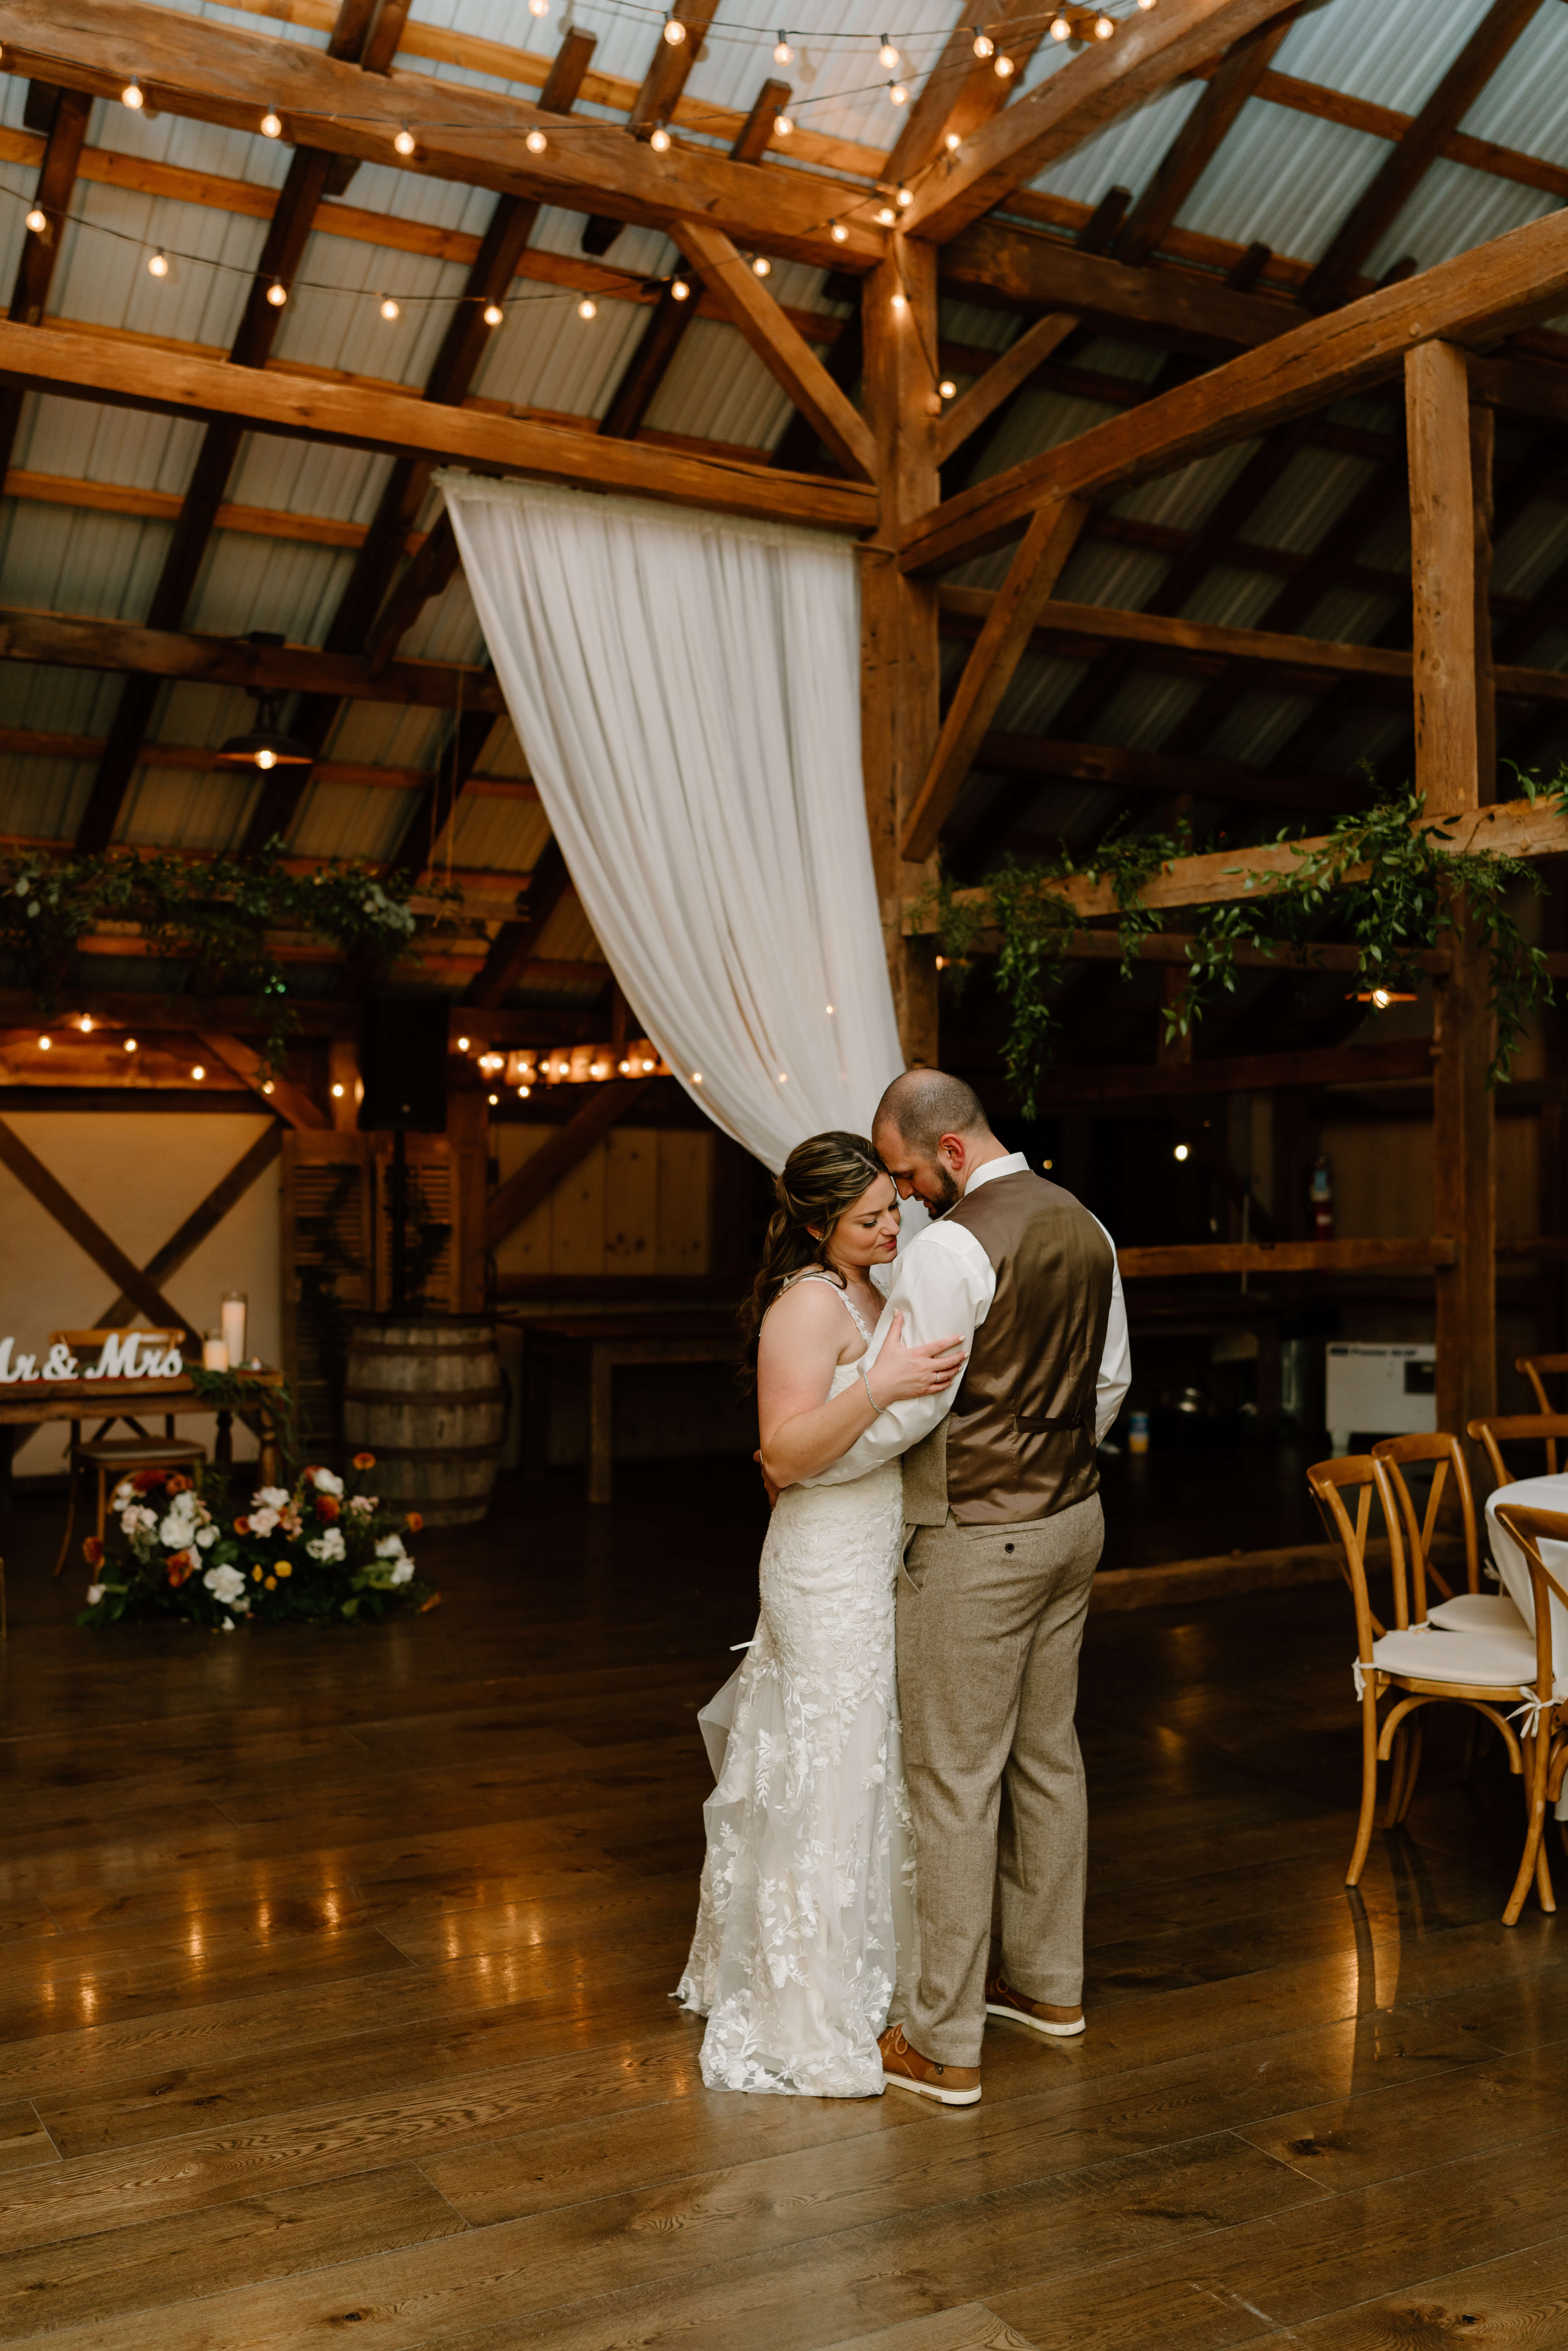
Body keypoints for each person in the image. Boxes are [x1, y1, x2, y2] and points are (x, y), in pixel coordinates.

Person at [808, 1069, 1130, 2109]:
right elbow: (1110, 1382)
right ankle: (1048, 1987)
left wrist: (819, 1460)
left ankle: (943, 2041)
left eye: (904, 1174)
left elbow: (908, 1407)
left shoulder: (952, 1247)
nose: (902, 1199)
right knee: (1049, 1756)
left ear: (949, 1152)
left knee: (952, 1779)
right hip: (1074, 1521)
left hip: (976, 1539)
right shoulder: (1088, 1224)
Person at [675, 1131, 965, 2097]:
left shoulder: (876, 1291)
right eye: (871, 1217)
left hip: (875, 1547)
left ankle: (873, 1976)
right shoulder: (806, 1305)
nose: (894, 1226)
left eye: (896, 1208)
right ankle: (804, 2005)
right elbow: (782, 1455)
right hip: (822, 1562)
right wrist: (881, 1383)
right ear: (814, 1224)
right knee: (826, 1771)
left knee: (868, 1762)